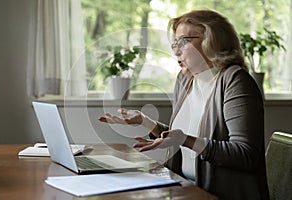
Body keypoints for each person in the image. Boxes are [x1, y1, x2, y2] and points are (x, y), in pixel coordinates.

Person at [98, 9, 270, 200]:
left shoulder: (235, 81)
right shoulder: (185, 80)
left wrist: (185, 140)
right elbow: (180, 136)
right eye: (175, 43)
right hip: (186, 189)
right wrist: (145, 122)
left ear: (213, 40)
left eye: (184, 41)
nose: (176, 50)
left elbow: (245, 155)